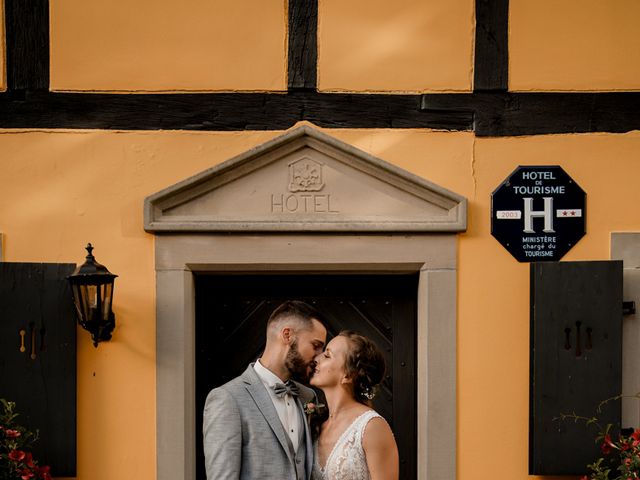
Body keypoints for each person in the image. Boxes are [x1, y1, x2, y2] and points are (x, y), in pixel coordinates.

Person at [203, 300, 327, 480]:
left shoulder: (307, 397)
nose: (319, 357)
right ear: (287, 335)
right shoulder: (228, 398)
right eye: (316, 346)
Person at [310, 331, 399, 480]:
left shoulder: (371, 427)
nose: (316, 359)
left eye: (327, 355)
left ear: (348, 375)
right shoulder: (316, 424)